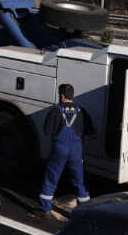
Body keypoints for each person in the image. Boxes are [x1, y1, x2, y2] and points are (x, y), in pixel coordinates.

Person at [37, 84, 94, 219]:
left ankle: (45, 208)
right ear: (71, 96)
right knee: (79, 180)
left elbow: (47, 131)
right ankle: (85, 208)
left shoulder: (56, 110)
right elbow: (90, 131)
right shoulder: (81, 111)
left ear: (62, 96)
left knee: (52, 177)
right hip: (76, 150)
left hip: (59, 149)